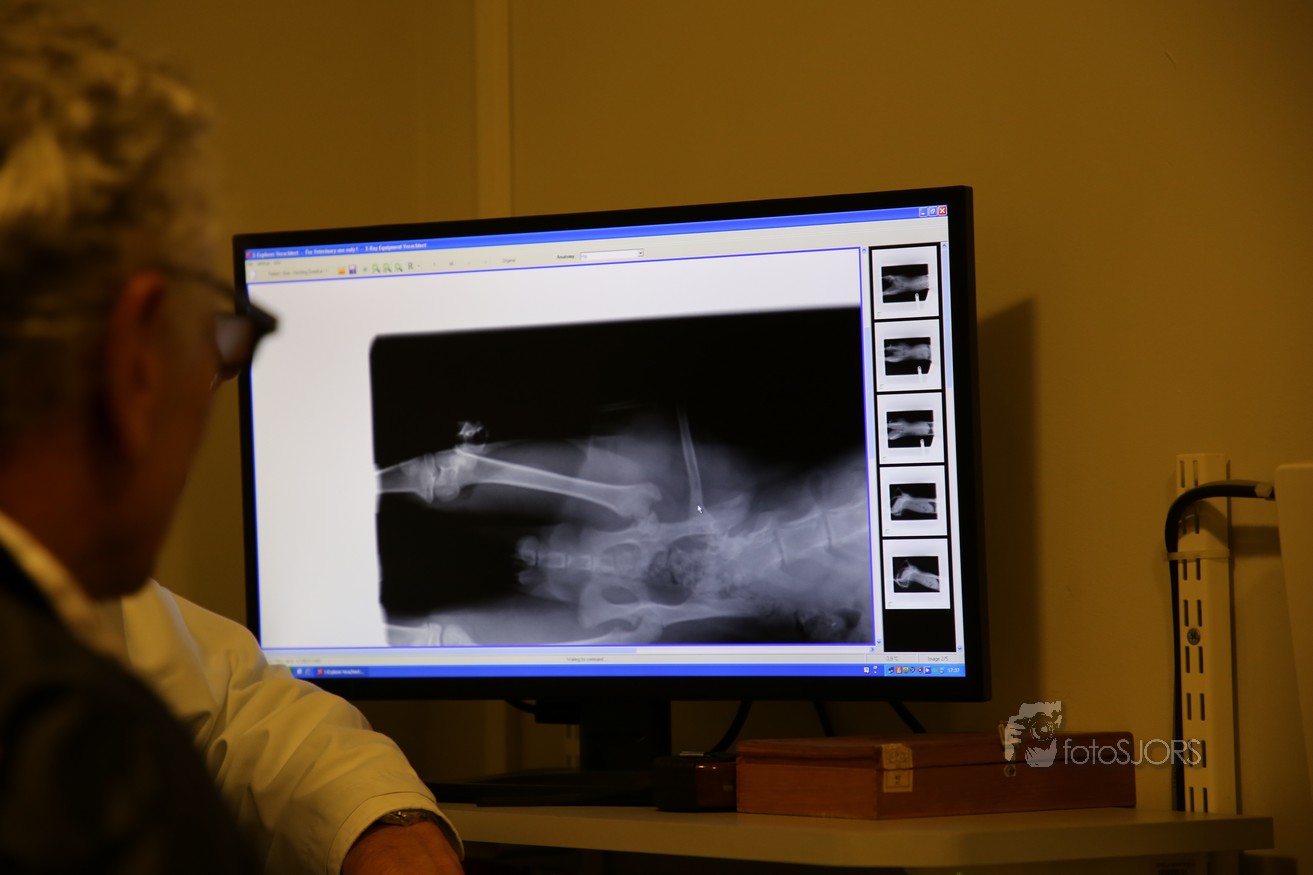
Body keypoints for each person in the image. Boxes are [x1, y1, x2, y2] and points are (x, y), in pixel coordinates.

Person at [0, 2, 463, 872]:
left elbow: (234, 705)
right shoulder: (54, 741)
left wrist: (385, 818)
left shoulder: (72, 612)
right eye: (215, 333)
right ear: (138, 354)